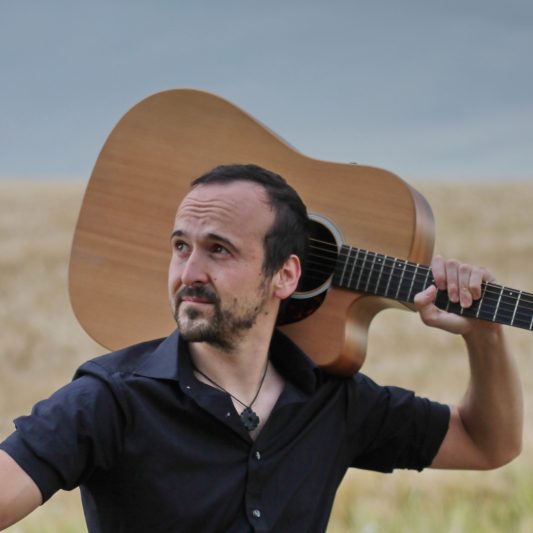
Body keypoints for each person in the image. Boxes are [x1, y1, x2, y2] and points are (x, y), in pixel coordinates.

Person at [0, 164, 523, 532]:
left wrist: (484, 335)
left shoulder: (333, 401)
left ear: (286, 275)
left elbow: (487, 444)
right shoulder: (110, 401)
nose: (188, 272)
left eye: (218, 250)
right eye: (181, 246)